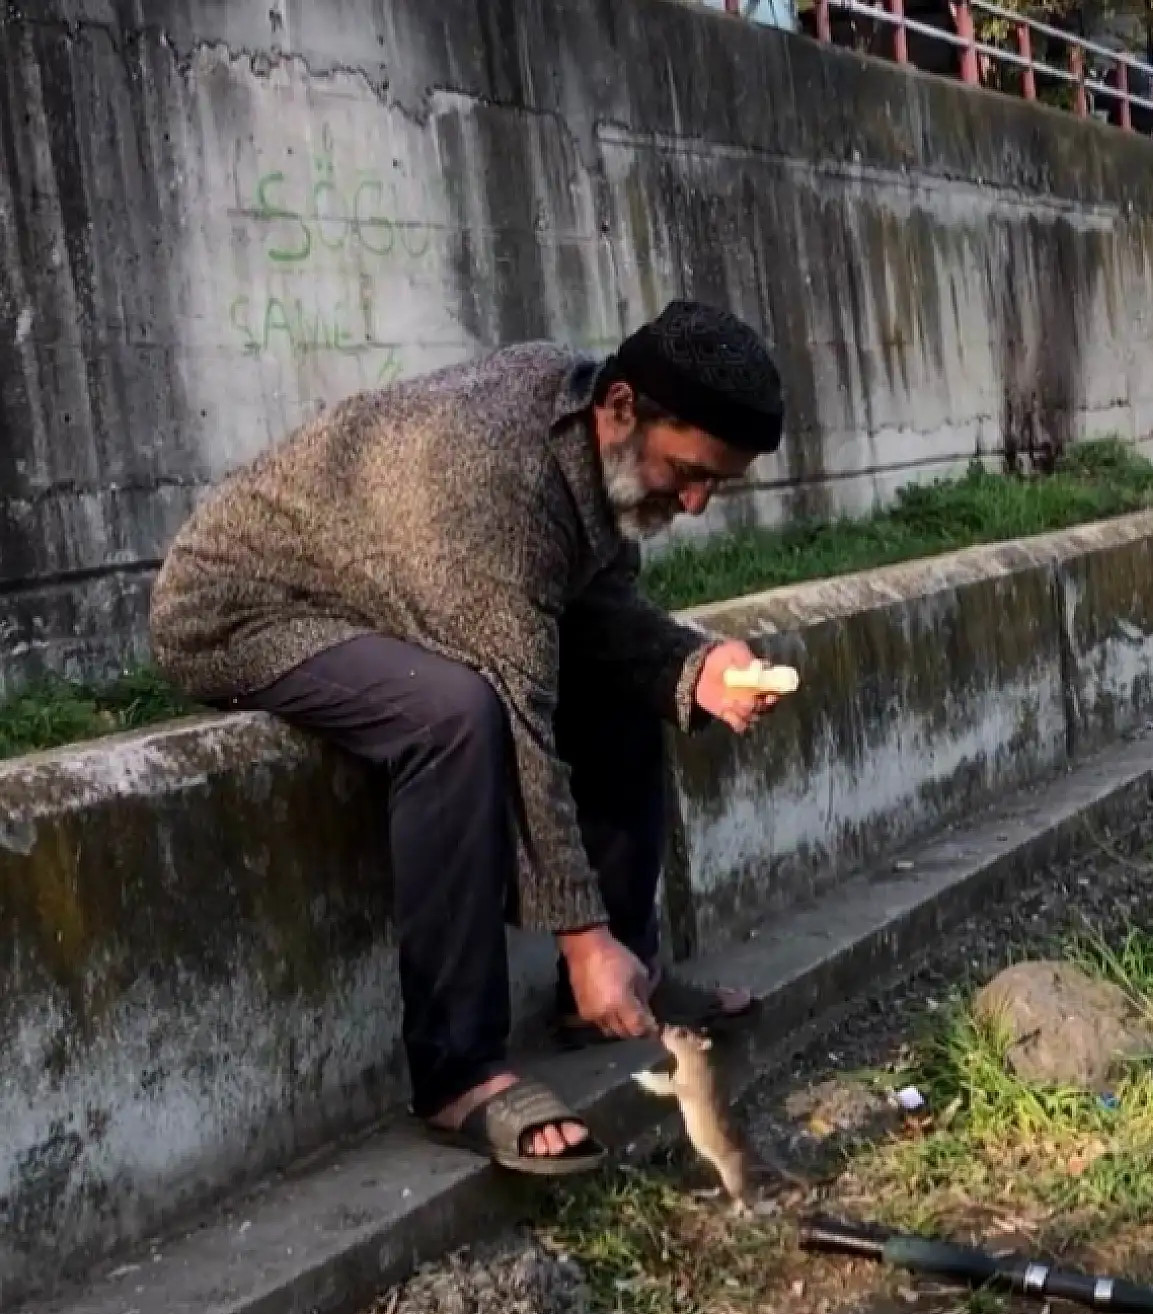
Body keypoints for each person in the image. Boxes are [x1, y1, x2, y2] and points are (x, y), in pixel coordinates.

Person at [149, 300, 788, 1177]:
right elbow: (516, 707)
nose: (697, 500)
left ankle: (614, 982)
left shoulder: (584, 442)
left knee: (628, 683)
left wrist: (694, 667)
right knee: (451, 714)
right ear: (623, 408)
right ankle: (457, 1071)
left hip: (389, 590)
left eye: (720, 482)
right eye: (687, 472)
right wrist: (578, 930)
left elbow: (599, 619)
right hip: (250, 612)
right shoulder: (495, 479)